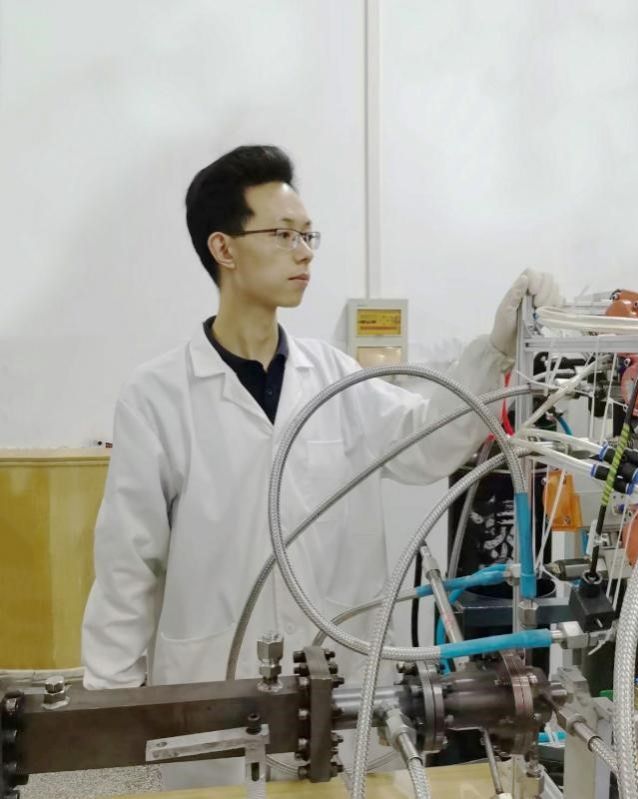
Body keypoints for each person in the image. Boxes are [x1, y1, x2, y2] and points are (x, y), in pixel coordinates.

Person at [81, 145, 561, 788]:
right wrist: (106, 704)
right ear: (224, 249)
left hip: (339, 680)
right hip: (215, 684)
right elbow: (129, 560)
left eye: (309, 235)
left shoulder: (333, 376)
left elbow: (422, 443)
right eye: (283, 235)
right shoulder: (159, 395)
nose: (304, 252)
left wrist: (494, 351)